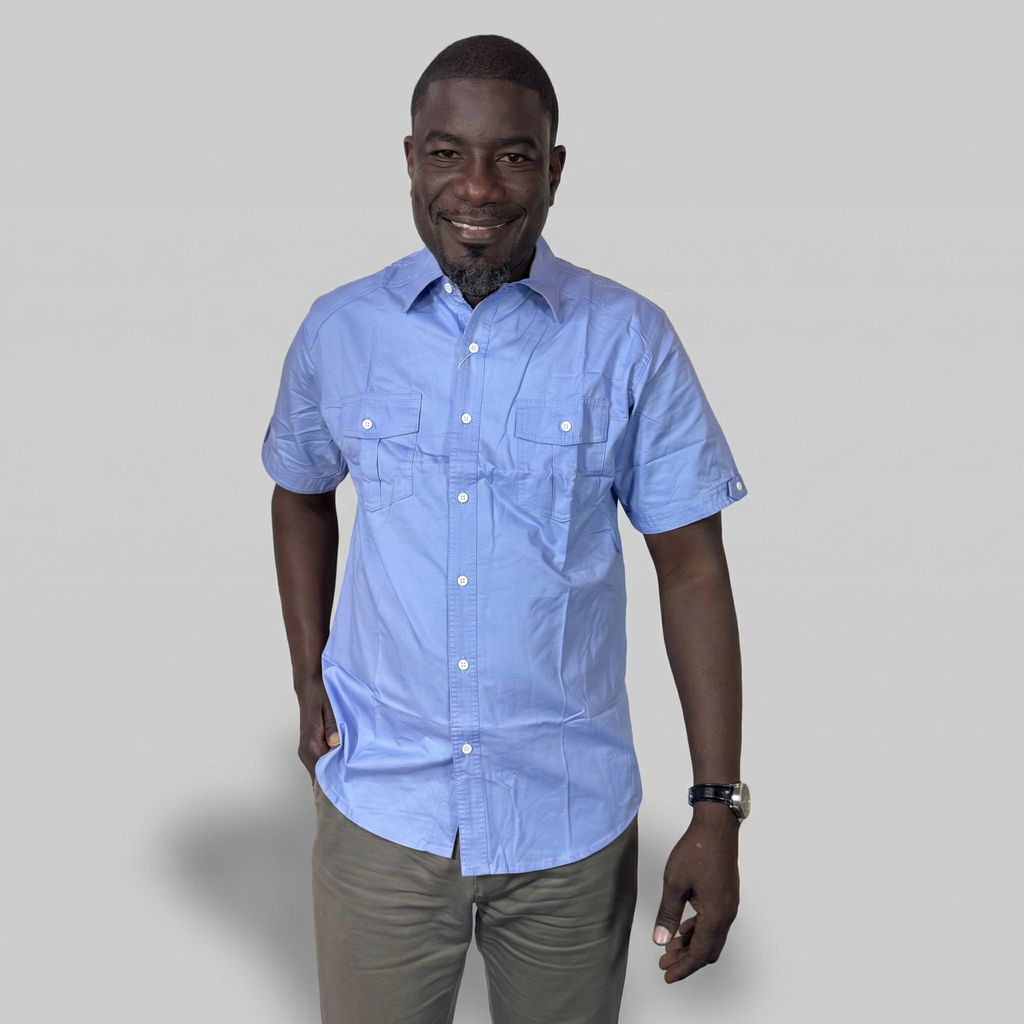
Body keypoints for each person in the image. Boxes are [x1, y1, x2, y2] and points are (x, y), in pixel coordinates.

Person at [261, 33, 751, 1024]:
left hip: (567, 822)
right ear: (410, 160)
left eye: (513, 155)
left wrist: (715, 807)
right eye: (447, 153)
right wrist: (309, 673)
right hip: (383, 809)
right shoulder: (339, 330)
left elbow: (692, 570)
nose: (477, 187)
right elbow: (300, 491)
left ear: (554, 169)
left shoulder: (629, 340)